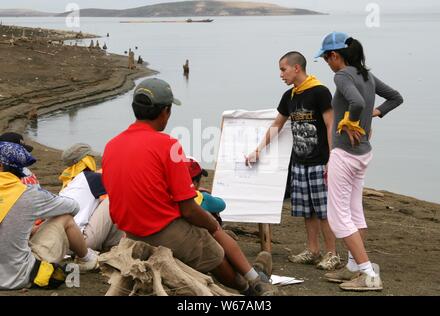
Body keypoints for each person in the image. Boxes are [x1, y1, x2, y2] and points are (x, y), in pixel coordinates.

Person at [102, 78, 276, 296]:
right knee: (214, 245)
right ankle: (249, 286)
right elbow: (188, 208)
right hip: (160, 231)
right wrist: (211, 223)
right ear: (166, 111)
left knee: (206, 233)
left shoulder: (111, 145)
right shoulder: (167, 145)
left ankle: (255, 275)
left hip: (130, 231)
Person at [315, 32, 403, 291]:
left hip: (344, 154)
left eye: (326, 58)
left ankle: (368, 273)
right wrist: (372, 115)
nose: (327, 64)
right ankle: (353, 267)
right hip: (363, 153)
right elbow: (396, 97)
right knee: (354, 211)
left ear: (335, 55)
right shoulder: (366, 75)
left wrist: (351, 121)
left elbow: (356, 101)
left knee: (338, 217)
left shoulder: (341, 75)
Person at [246, 51, 340, 271]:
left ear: (297, 68)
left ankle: (332, 253)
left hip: (320, 161)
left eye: (283, 69)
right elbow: (277, 125)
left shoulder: (320, 92)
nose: (281, 74)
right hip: (299, 162)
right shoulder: (289, 96)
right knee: (307, 210)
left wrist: (332, 157)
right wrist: (258, 150)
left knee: (324, 210)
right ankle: (313, 250)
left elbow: (330, 125)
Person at [0, 142, 98, 290]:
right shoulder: (28, 194)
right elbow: (73, 206)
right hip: (18, 277)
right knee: (65, 218)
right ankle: (87, 259)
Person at [59, 143, 124, 252]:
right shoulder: (90, 179)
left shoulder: (71, 183)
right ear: (85, 160)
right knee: (115, 199)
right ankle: (114, 245)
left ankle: (110, 244)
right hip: (81, 242)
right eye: (92, 158)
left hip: (66, 242)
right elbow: (123, 186)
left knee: (103, 202)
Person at [186, 156, 225, 225]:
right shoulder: (203, 197)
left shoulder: (167, 196)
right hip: (199, 232)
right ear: (195, 183)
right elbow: (222, 205)